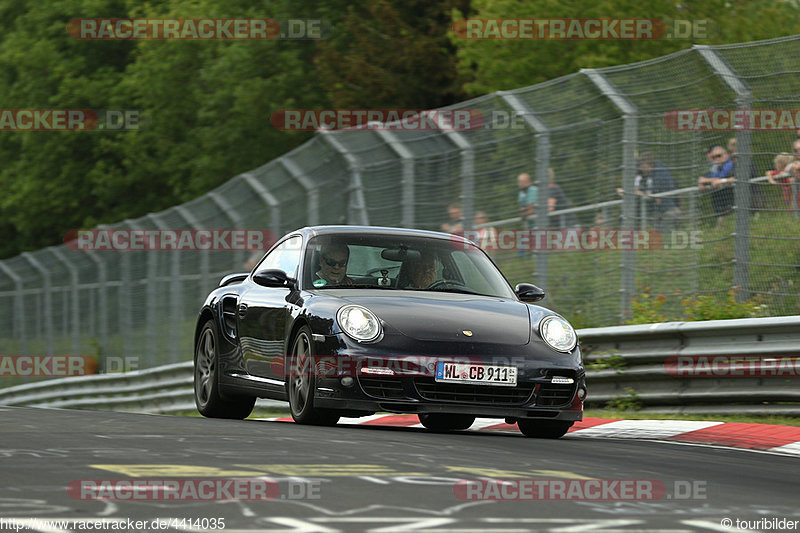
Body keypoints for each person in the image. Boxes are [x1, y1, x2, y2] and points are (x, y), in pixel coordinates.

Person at [637, 153, 680, 233]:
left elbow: (654, 193)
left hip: (668, 211)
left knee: (664, 237)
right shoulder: (649, 175)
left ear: (646, 163)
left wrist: (639, 192)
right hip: (658, 211)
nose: (641, 168)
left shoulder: (661, 171)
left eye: (642, 165)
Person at [697, 145, 735, 225]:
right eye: (714, 157)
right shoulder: (717, 168)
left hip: (734, 205)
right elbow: (703, 179)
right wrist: (708, 181)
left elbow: (736, 178)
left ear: (726, 154)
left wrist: (721, 181)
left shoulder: (733, 164)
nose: (717, 159)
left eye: (719, 156)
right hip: (721, 207)